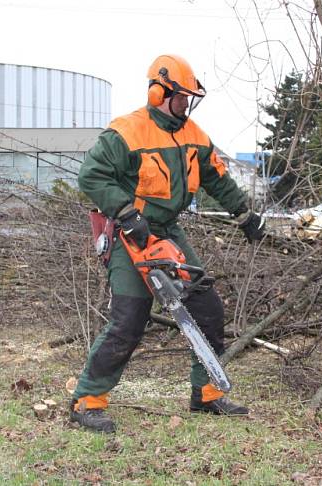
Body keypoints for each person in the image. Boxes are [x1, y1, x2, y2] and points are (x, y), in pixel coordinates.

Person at [70, 54, 266, 433]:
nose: (187, 104)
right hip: (129, 233)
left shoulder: (193, 134)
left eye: (190, 98)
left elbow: (218, 177)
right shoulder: (127, 131)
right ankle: (87, 400)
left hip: (167, 231)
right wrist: (126, 213)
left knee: (206, 307)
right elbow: (91, 176)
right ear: (160, 92)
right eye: (182, 97)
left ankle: (206, 394)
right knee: (129, 319)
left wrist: (244, 215)